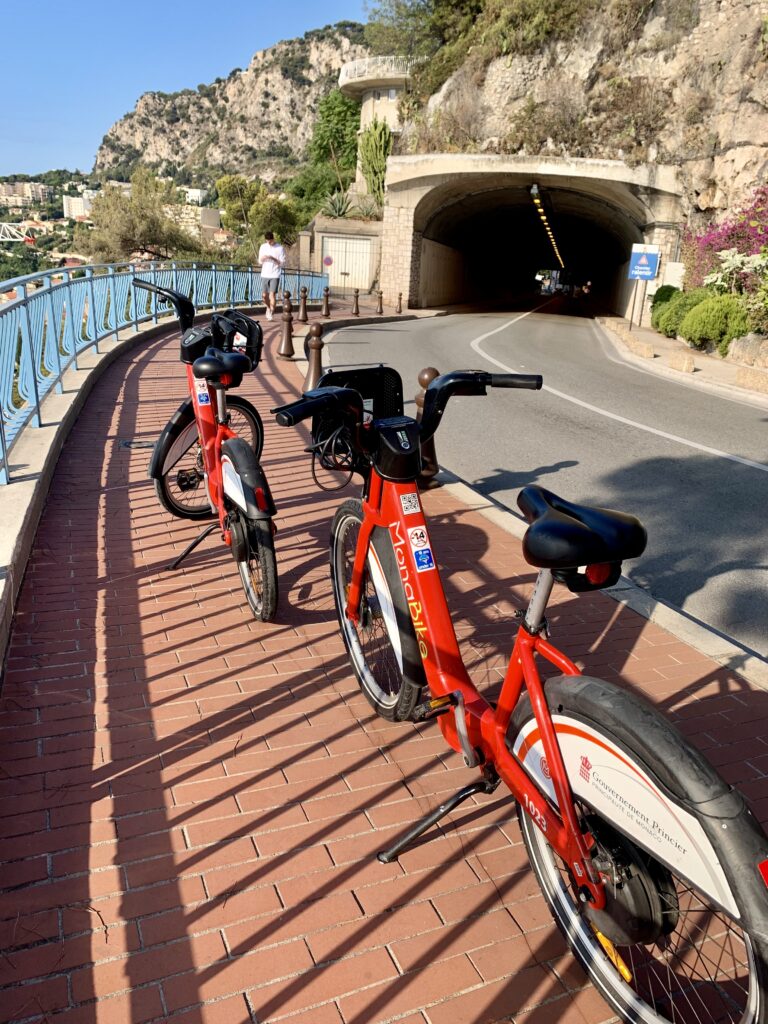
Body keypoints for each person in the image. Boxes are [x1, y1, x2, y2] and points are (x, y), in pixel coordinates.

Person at [257, 231, 285, 321]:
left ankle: (271, 313)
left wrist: (273, 258)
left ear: (273, 239)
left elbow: (282, 263)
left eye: (270, 241)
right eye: (267, 241)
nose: (269, 243)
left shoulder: (280, 248)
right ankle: (268, 308)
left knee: (272, 295)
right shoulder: (263, 247)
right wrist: (263, 258)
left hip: (275, 274)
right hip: (265, 273)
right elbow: (259, 261)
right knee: (264, 296)